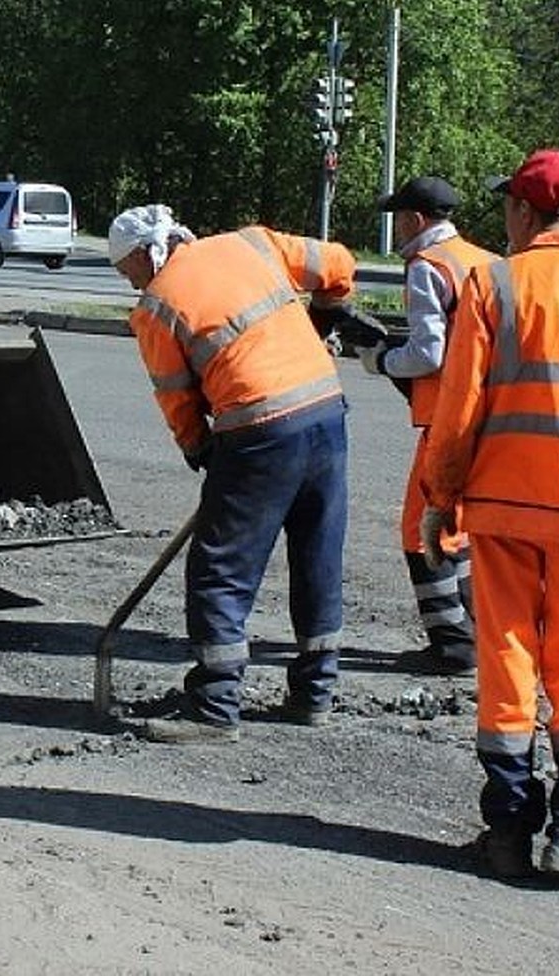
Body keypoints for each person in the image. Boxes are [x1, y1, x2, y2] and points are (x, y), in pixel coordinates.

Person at [108, 204, 356, 743]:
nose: (130, 283)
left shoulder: (156, 307)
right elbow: (338, 263)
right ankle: (315, 694)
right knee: (317, 554)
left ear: (144, 256)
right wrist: (324, 318)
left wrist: (202, 452)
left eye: (126, 272)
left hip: (259, 428)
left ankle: (215, 707)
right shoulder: (251, 243)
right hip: (326, 410)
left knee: (219, 566)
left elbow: (177, 400)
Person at [423, 148, 559, 881]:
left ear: (525, 211)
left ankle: (511, 832)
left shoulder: (496, 284)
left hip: (505, 508)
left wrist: (438, 499)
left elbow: (457, 411)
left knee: (508, 656)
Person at [361, 176, 497, 675]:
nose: (396, 228)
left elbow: (428, 353)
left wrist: (380, 359)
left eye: (398, 218)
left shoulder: (426, 267)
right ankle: (475, 634)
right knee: (462, 528)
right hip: (493, 413)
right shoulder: (484, 259)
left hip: (448, 420)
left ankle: (452, 644)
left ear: (416, 220)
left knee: (423, 531)